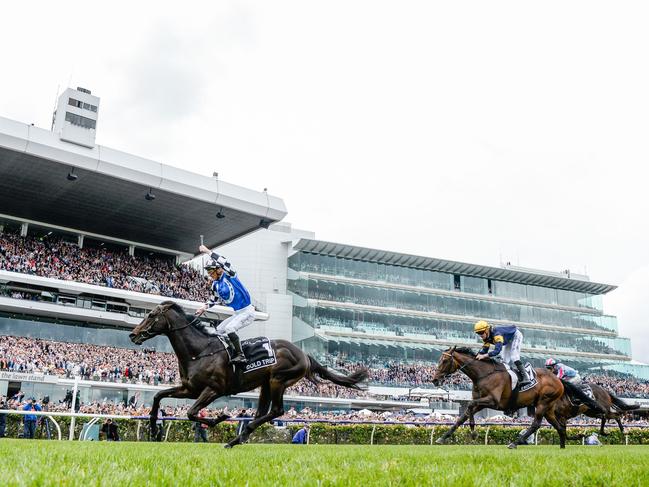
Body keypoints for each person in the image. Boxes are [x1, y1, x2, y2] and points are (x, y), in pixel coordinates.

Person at [195, 244, 255, 365]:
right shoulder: (215, 285)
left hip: (247, 312)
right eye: (208, 272)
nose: (210, 274)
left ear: (218, 269)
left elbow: (224, 261)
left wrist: (207, 251)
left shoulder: (230, 275)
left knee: (229, 328)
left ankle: (241, 355)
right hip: (237, 314)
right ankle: (226, 353)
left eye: (211, 271)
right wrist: (203, 307)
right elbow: (213, 300)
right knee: (217, 331)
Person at [474, 320, 531, 386]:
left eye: (481, 332)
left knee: (514, 357)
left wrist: (484, 356)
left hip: (515, 335)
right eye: (478, 333)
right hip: (507, 340)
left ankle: (526, 377)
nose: (480, 335)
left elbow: (497, 351)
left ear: (487, 330)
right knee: (504, 360)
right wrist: (478, 355)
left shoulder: (497, 335)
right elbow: (485, 350)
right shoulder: (486, 337)